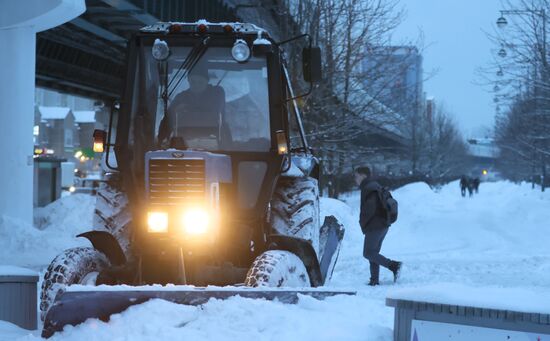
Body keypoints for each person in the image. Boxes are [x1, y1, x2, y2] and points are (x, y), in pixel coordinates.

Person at [158, 63, 227, 147]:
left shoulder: (217, 93)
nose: (196, 85)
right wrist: (160, 142)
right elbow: (167, 120)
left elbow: (216, 108)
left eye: (200, 82)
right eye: (193, 82)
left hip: (214, 139)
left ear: (207, 81)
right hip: (185, 143)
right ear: (188, 80)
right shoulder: (180, 97)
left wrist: (189, 107)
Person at [355, 166, 402, 286]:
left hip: (375, 225)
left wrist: (363, 222)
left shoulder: (368, 188)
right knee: (373, 253)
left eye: (356, 176)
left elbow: (369, 209)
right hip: (382, 224)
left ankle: (394, 266)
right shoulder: (374, 185)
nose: (355, 179)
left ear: (363, 175)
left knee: (368, 253)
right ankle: (374, 280)